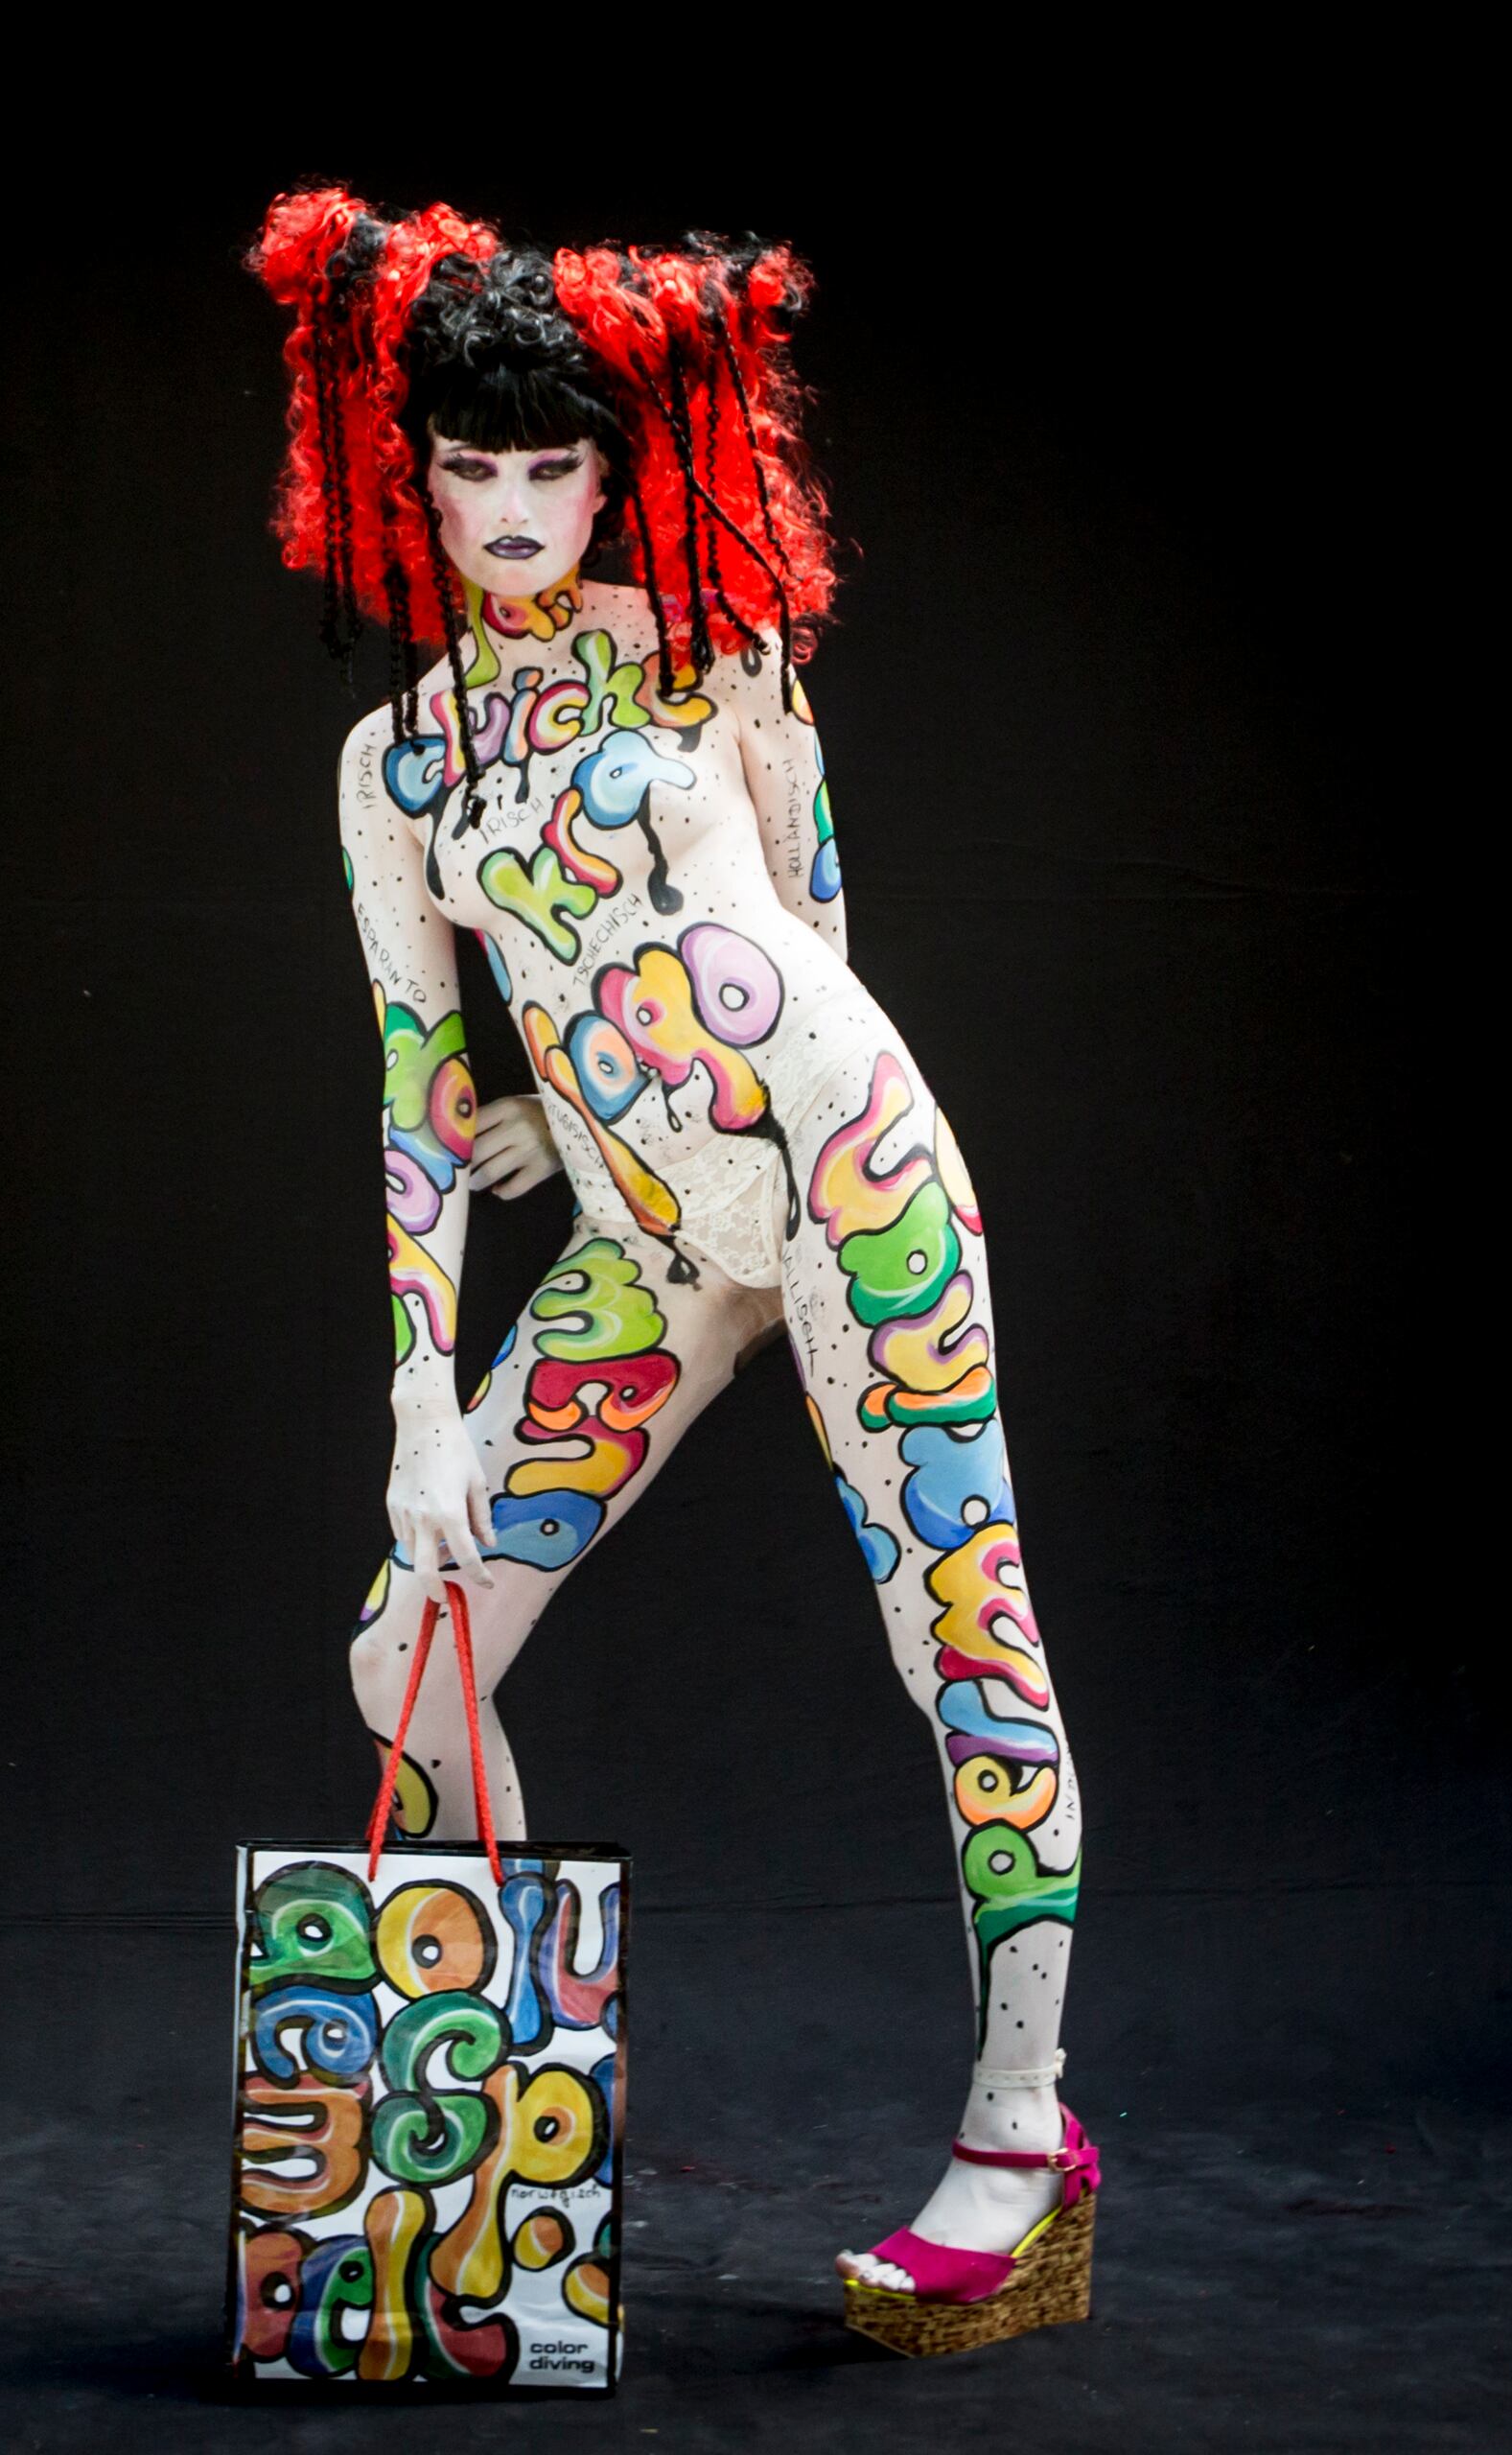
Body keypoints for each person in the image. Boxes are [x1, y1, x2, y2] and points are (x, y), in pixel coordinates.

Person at [252, 189, 1096, 2355]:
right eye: (474, 466)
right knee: (407, 1647)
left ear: (619, 467)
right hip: (646, 1242)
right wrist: (427, 1389)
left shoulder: (725, 652)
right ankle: (493, 2106)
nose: (515, 508)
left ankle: (1025, 2129)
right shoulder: (396, 765)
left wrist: (659, 1078)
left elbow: (811, 925)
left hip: (844, 1172)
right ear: (409, 476)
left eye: (554, 463)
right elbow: (419, 1082)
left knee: (960, 1634)